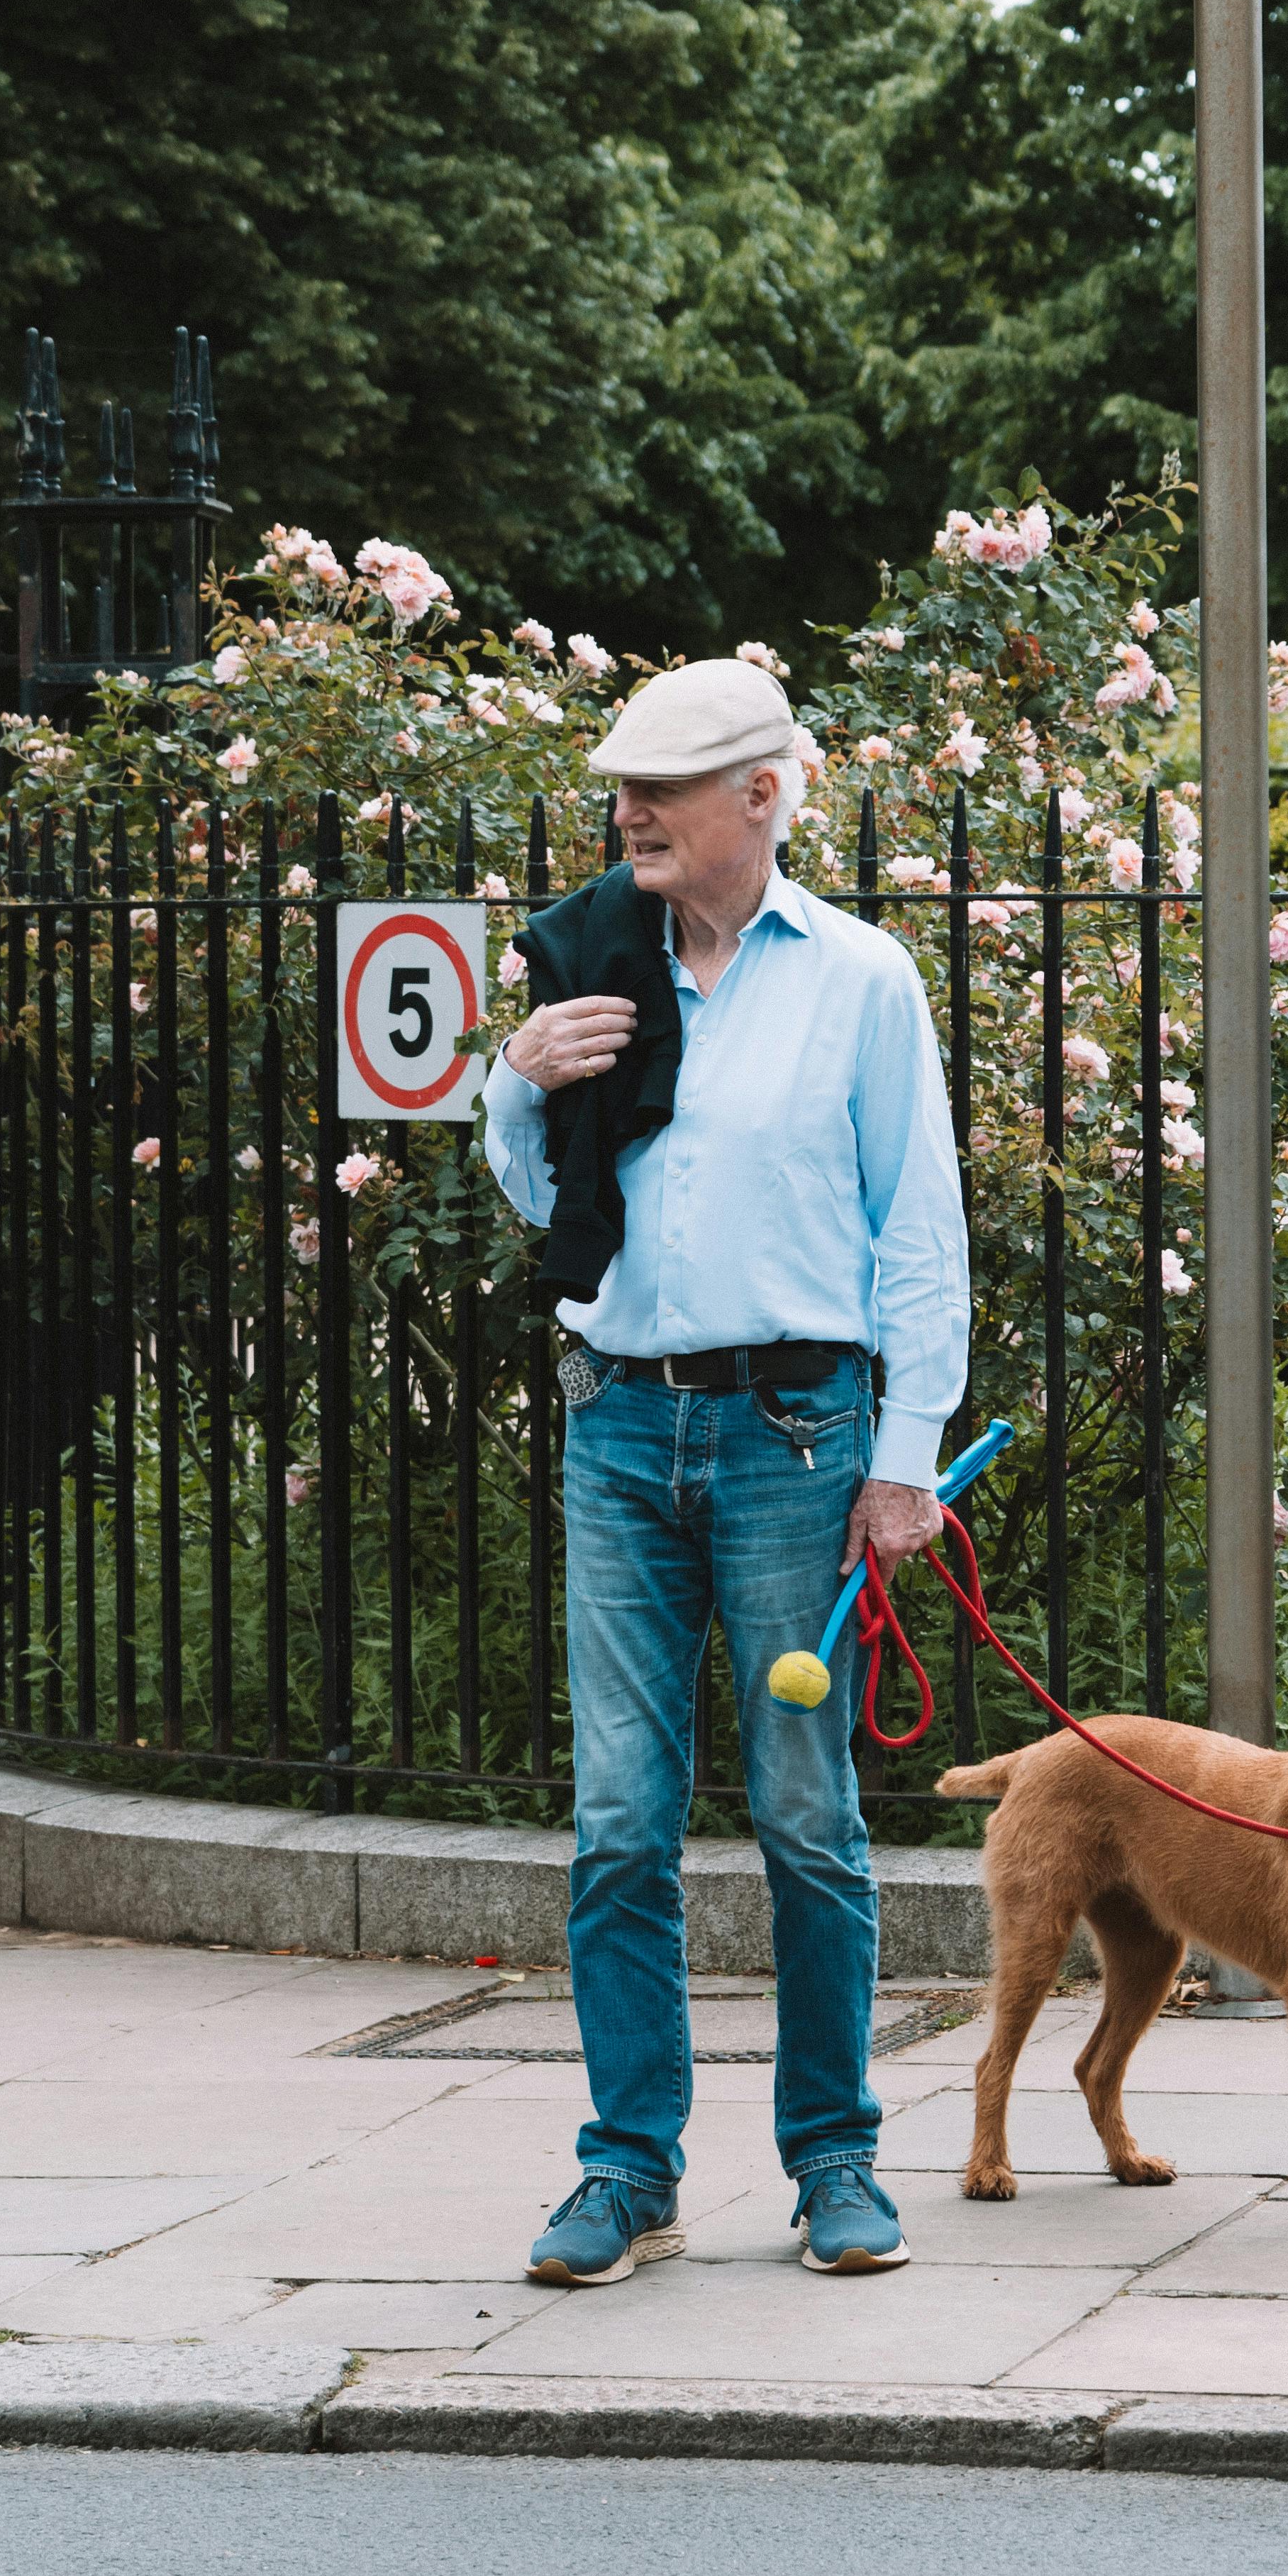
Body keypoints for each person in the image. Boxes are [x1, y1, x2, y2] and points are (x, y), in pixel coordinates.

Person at [482, 654, 968, 2287]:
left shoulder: (859, 978)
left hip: (794, 1435)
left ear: (760, 796)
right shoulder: (593, 965)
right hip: (619, 1422)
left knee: (802, 1814)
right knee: (617, 1819)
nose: (627, 808)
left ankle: (835, 2158)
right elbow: (531, 1190)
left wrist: (902, 1462)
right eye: (620, 782)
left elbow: (921, 1237)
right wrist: (518, 1076)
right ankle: (627, 2172)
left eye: (665, 783)